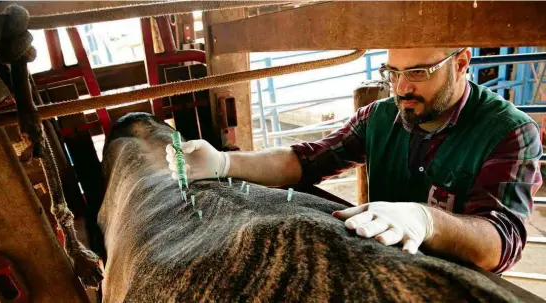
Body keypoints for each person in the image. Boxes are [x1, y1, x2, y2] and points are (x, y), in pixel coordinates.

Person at [166, 48, 542, 274]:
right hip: (382, 269)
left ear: (461, 63)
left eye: (417, 72)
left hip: (454, 285)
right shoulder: (379, 117)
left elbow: (501, 243)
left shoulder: (508, 131)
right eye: (392, 72)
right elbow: (307, 161)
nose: (401, 88)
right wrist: (225, 165)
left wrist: (427, 221)